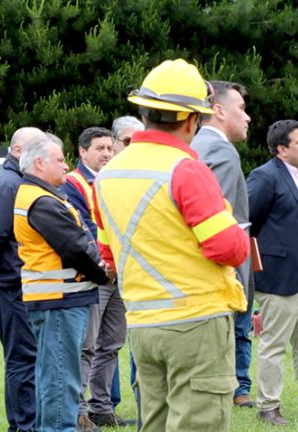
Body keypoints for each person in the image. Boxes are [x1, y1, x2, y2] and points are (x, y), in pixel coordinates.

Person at [95, 59, 249, 432]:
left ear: (145, 112)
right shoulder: (186, 169)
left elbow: (107, 255)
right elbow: (229, 248)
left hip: (143, 326)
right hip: (195, 322)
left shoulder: (108, 174)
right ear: (191, 120)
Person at [14, 134, 109, 432]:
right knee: (60, 378)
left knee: (51, 375)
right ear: (39, 164)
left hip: (56, 299)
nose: (66, 166)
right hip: (60, 301)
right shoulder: (41, 200)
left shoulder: (41, 195)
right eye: (59, 160)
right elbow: (77, 246)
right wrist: (103, 272)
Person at [247, 119, 298, 426]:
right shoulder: (265, 177)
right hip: (280, 276)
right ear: (282, 149)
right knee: (274, 344)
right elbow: (247, 222)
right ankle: (268, 405)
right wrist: (261, 264)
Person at [189, 80, 255, 409]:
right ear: (217, 110)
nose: (247, 118)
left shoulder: (195, 146)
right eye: (241, 109)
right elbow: (225, 226)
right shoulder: (220, 150)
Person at [61, 126, 131, 429]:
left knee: (113, 343)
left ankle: (101, 407)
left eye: (109, 148)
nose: (106, 153)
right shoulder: (72, 184)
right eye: (100, 148)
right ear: (82, 152)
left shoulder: (115, 181)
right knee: (87, 345)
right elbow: (84, 229)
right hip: (96, 273)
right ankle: (78, 412)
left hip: (119, 273)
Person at [0, 127, 46, 432]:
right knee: (22, 358)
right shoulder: (7, 185)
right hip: (7, 284)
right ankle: (23, 425)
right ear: (18, 150)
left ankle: (25, 423)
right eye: (37, 148)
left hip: (11, 282)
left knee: (24, 356)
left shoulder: (16, 181)